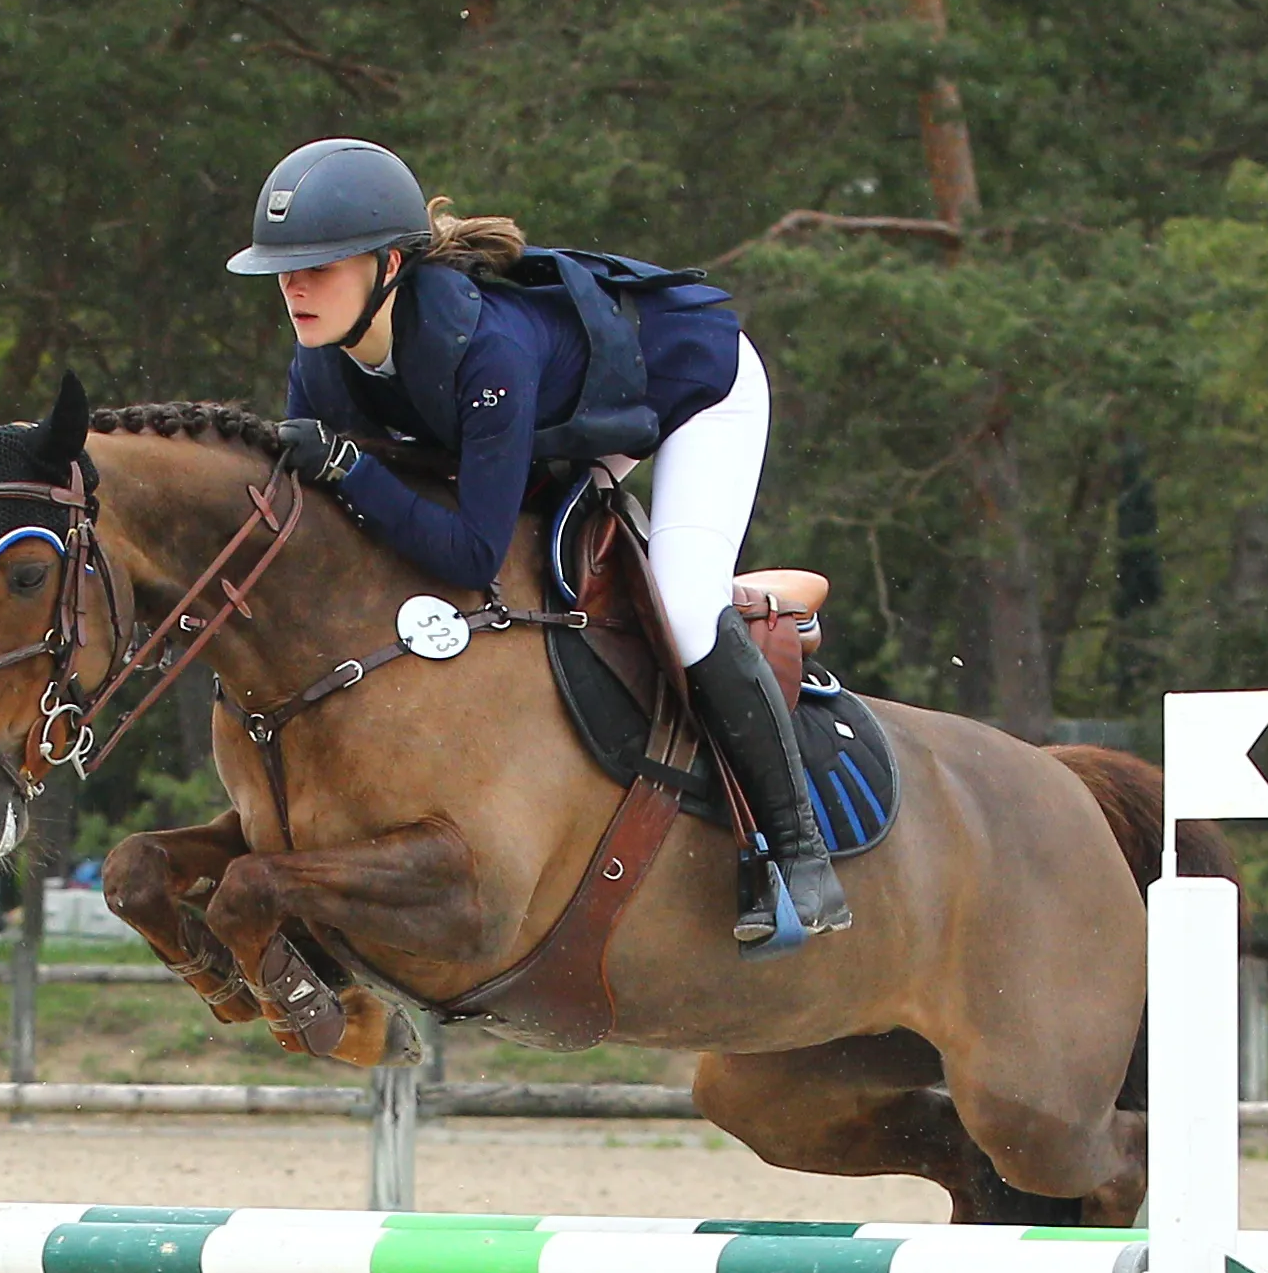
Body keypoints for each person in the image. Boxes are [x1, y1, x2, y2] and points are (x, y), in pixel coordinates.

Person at [227, 135, 846, 950]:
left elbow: (469, 553)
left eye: (320, 266)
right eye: (283, 269)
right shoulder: (321, 367)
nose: (294, 288)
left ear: (388, 265)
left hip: (697, 389)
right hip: (573, 415)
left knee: (685, 606)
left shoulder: (487, 351)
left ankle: (796, 849)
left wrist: (347, 467)